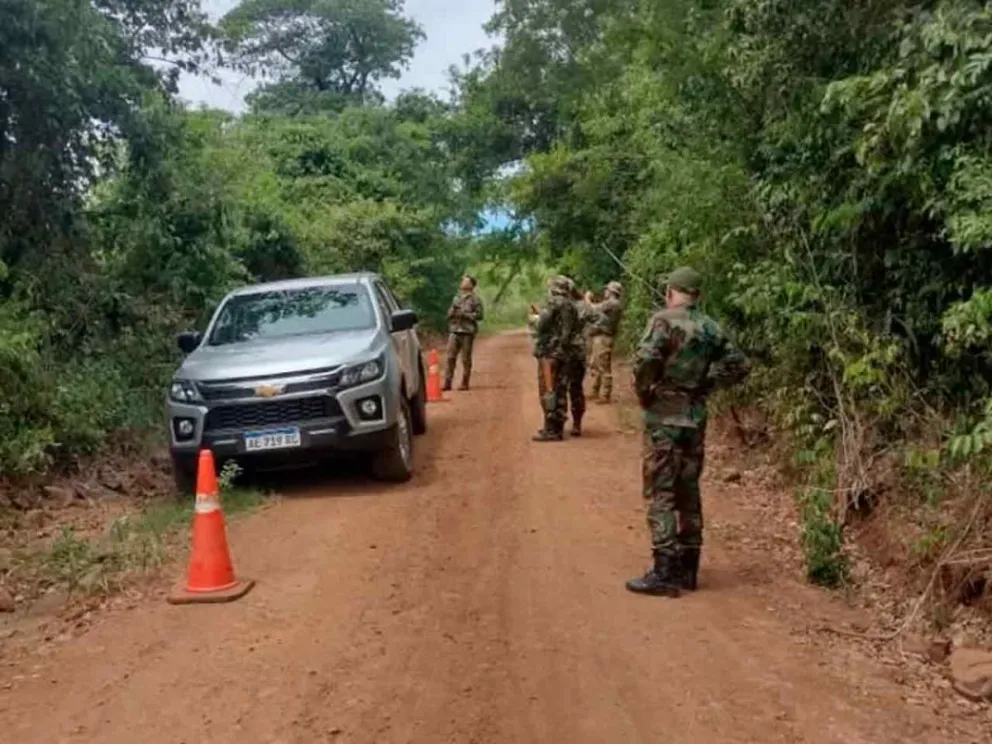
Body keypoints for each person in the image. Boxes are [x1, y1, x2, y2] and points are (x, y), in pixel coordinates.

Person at [626, 266, 750, 597]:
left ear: (671, 291)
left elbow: (645, 360)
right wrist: (707, 384)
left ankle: (664, 569)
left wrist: (646, 393)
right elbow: (739, 364)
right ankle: (688, 567)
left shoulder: (663, 320)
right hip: (695, 418)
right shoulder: (711, 327)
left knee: (661, 491)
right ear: (698, 295)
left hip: (664, 417)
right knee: (689, 490)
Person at [529, 275, 578, 442]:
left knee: (548, 389)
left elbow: (542, 324)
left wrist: (535, 319)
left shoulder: (553, 302)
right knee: (561, 389)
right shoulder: (571, 305)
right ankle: (558, 427)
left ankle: (550, 429)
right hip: (565, 352)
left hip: (549, 352)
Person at [584, 281, 624, 404]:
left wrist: (587, 299)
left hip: (604, 337)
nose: (605, 292)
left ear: (612, 292)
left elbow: (593, 309)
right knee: (596, 364)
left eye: (607, 290)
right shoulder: (612, 304)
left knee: (603, 366)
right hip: (600, 336)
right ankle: (595, 391)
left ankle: (605, 395)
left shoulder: (613, 303)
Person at [444, 275, 484, 391]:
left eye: (466, 281)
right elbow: (449, 314)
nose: (463, 283)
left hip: (467, 332)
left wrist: (465, 315)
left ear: (472, 285)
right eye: (462, 281)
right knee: (450, 357)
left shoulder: (476, 300)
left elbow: (480, 315)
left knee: (466, 359)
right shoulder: (456, 298)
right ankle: (447, 382)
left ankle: (465, 382)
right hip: (454, 330)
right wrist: (452, 312)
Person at [563, 280, 593, 437]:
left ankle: (569, 423)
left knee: (564, 388)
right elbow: (593, 316)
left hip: (568, 351)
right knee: (575, 388)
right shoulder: (583, 305)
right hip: (578, 350)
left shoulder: (564, 305)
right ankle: (576, 423)